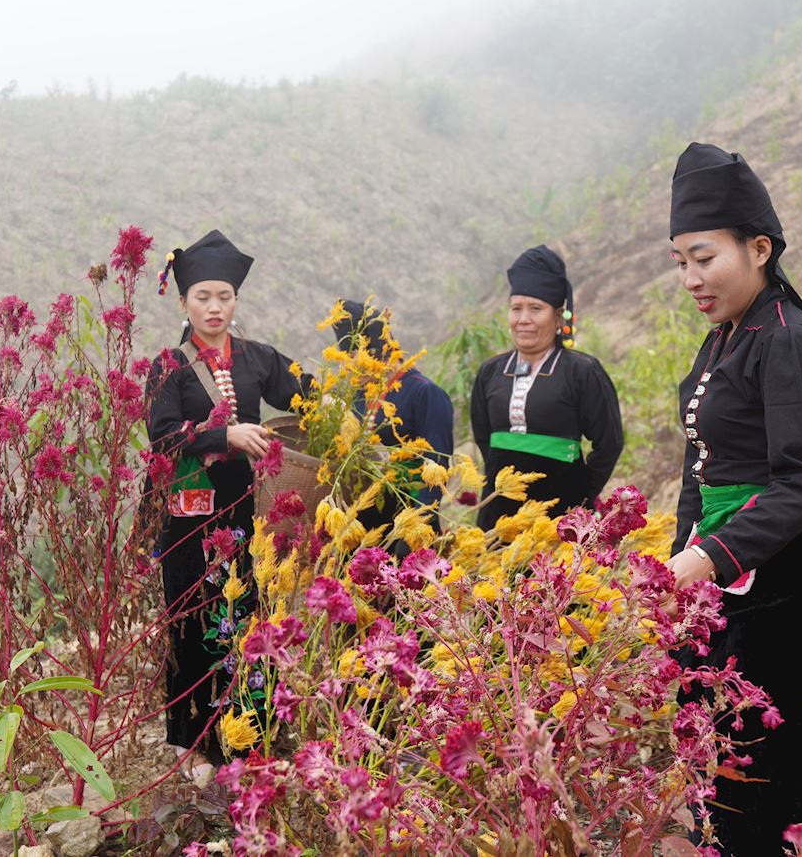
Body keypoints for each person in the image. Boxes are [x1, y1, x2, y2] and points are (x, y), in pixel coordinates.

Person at [663, 143, 802, 852]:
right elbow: (700, 466)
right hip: (730, 590)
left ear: (760, 247)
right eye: (680, 260)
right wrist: (681, 558)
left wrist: (708, 557)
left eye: (704, 257)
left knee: (774, 787)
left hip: (789, 602)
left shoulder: (791, 343)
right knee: (719, 778)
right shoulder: (723, 340)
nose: (690, 277)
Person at [145, 229, 309, 783]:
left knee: (249, 614)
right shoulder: (167, 366)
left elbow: (303, 394)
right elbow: (162, 437)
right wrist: (225, 437)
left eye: (224, 297)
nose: (214, 308)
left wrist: (335, 400)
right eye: (202, 298)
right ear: (184, 301)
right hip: (190, 520)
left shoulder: (259, 359)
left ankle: (248, 732)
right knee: (191, 617)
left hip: (246, 515)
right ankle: (190, 741)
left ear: (236, 300)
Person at [470, 245, 623, 531]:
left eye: (536, 309)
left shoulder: (582, 371)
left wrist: (580, 494)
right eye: (516, 309)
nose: (523, 319)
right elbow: (484, 437)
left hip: (560, 515)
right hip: (498, 519)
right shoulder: (491, 372)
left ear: (558, 316)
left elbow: (609, 442)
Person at [330, 299, 455, 543]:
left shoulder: (425, 393)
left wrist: (416, 527)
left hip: (406, 524)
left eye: (358, 355)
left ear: (378, 349)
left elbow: (437, 470)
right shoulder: (360, 394)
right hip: (362, 526)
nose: (353, 364)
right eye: (348, 356)